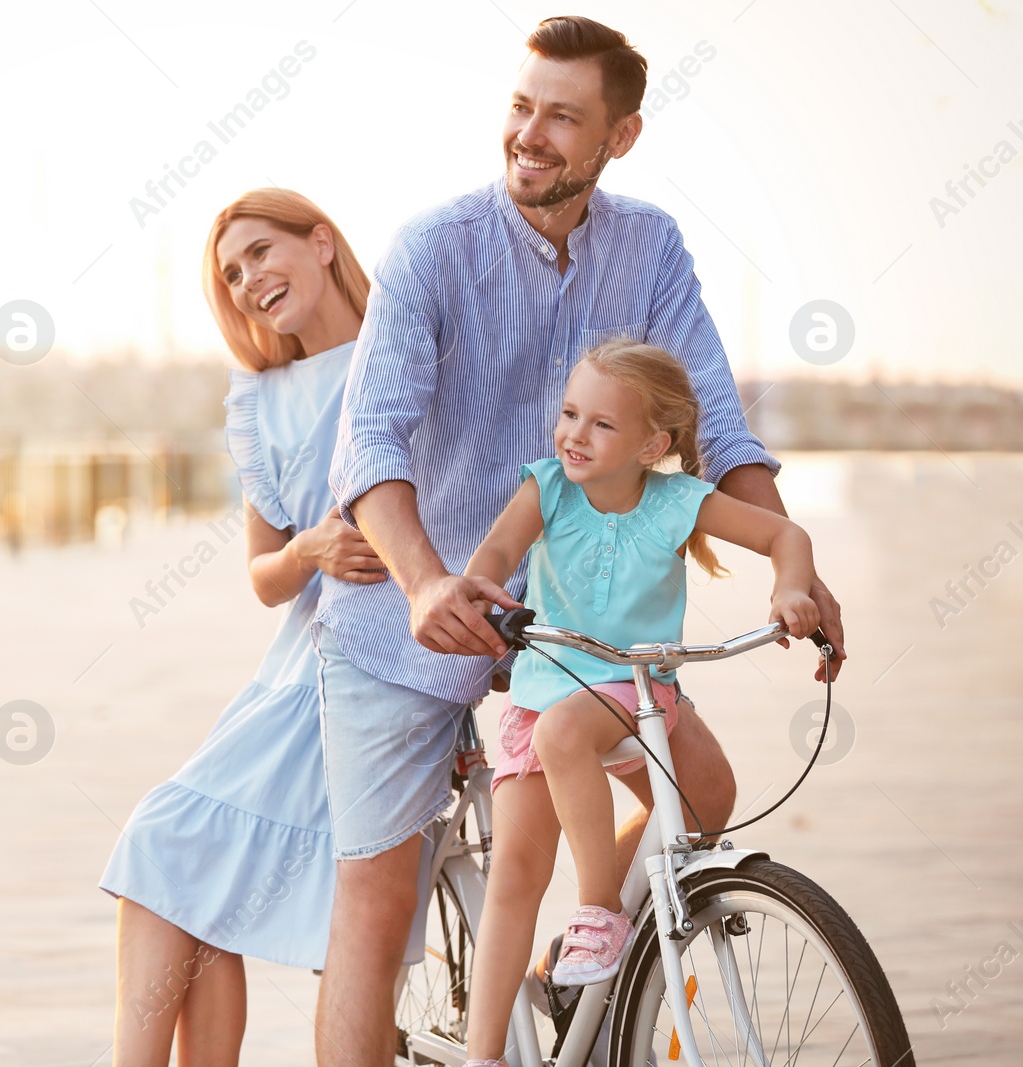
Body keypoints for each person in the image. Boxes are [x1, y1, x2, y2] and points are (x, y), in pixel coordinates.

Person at [312, 17, 847, 1066]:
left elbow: (715, 432)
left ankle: (580, 963)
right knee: (377, 911)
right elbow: (367, 439)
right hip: (413, 607)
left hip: (584, 630)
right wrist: (425, 583)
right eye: (521, 106)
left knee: (699, 801)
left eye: (562, 116)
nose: (531, 133)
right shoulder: (433, 247)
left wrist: (796, 561)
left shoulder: (648, 247)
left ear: (620, 136)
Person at [457, 342, 822, 1066]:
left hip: (637, 690)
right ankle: (484, 1053)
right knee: (514, 881)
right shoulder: (547, 488)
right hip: (546, 694)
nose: (573, 435)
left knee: (710, 798)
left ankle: (598, 920)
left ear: (653, 444)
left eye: (600, 425)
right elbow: (496, 554)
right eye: (569, 414)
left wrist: (790, 587)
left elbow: (786, 534)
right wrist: (484, 588)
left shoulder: (677, 501)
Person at [99, 188, 388, 1067]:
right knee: (177, 866)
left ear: (323, 241)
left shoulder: (397, 352)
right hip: (287, 670)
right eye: (232, 271)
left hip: (367, 667)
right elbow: (264, 578)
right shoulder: (261, 399)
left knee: (169, 850)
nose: (250, 278)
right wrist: (308, 546)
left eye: (264, 251)